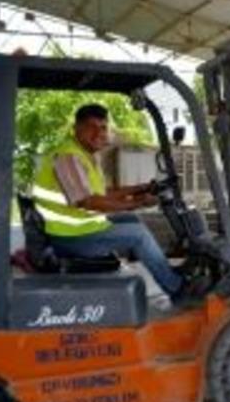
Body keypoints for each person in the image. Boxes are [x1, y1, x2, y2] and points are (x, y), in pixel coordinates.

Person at [30, 103, 199, 301]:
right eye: (91, 127)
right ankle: (177, 288)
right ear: (76, 128)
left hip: (79, 228)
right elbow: (89, 202)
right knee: (138, 235)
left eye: (103, 127)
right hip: (69, 238)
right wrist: (138, 203)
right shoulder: (69, 157)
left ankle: (167, 273)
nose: (98, 133)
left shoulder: (85, 155)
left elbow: (103, 193)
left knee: (132, 220)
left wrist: (141, 189)